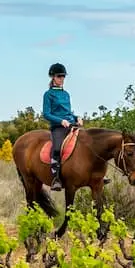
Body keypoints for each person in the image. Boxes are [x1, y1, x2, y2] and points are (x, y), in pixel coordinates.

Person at [42, 62, 82, 191]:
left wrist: (77, 118)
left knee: (88, 143)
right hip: (58, 127)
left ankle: (94, 175)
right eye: (59, 76)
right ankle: (56, 178)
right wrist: (60, 121)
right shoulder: (48, 94)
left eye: (63, 76)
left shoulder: (66, 94)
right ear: (53, 77)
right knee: (57, 148)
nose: (62, 79)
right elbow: (46, 114)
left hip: (71, 125)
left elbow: (68, 112)